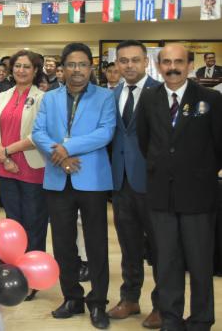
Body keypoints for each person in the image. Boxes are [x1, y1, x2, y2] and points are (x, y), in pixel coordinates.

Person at [136, 44, 222, 331]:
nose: (172, 67)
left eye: (179, 62)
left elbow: (219, 145)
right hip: (161, 196)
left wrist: (200, 173)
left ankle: (200, 320)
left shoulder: (210, 98)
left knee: (199, 264)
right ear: (158, 65)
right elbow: (145, 141)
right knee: (167, 263)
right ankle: (170, 320)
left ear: (189, 65)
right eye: (167, 62)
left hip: (198, 196)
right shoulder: (149, 99)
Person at [32, 42, 116, 329]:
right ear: (62, 68)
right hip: (58, 177)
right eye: (71, 65)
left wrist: (66, 148)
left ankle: (98, 303)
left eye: (82, 64)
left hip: (91, 179)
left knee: (96, 243)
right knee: (63, 243)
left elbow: (105, 132)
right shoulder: (50, 98)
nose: (76, 70)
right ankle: (72, 297)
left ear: (90, 68)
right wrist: (61, 158)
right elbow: (37, 132)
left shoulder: (105, 97)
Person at [104, 41, 162, 327]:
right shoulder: (111, 96)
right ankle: (130, 298)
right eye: (123, 61)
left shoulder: (160, 93)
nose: (128, 66)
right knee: (128, 246)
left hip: (153, 184)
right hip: (120, 183)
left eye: (134, 60)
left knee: (161, 248)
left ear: (145, 62)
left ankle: (162, 304)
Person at [0, 50, 47, 298]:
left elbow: (39, 135)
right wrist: (2, 154)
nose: (21, 70)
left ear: (35, 71)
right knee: (13, 222)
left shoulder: (43, 98)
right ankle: (14, 273)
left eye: (27, 67)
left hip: (31, 168)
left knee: (34, 224)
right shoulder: (2, 96)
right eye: (17, 66)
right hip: (5, 169)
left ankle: (33, 276)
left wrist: (7, 152)